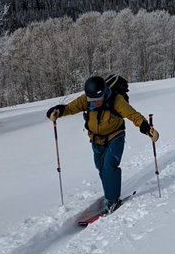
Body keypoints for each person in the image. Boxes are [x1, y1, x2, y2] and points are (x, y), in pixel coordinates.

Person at [47, 75, 157, 213]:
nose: (96, 102)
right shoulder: (85, 100)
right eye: (92, 100)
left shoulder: (116, 100)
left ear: (104, 92)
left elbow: (133, 115)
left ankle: (112, 201)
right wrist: (57, 111)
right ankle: (109, 193)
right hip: (96, 139)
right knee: (100, 167)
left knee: (109, 166)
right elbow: (70, 108)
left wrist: (147, 129)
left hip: (115, 136)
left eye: (98, 99)